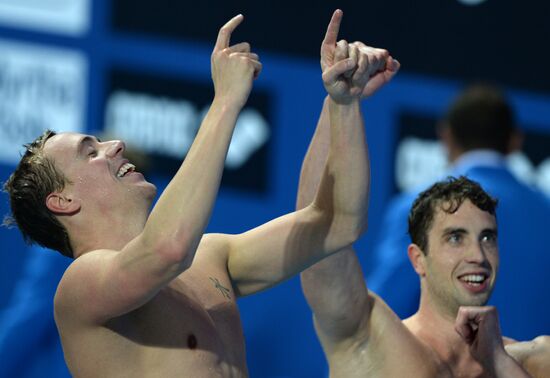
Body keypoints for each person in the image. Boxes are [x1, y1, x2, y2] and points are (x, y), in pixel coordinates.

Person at [4, 10, 377, 376]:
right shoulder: (80, 287)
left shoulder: (211, 256)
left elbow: (338, 222)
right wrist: (226, 102)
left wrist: (341, 102)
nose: (116, 145)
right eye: (91, 152)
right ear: (63, 201)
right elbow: (168, 249)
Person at [298, 76, 549, 377]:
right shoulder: (370, 345)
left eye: (488, 237)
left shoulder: (533, 360)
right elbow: (317, 242)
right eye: (456, 238)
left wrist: (500, 363)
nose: (478, 256)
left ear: (448, 137)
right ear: (417, 258)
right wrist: (339, 104)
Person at [368, 85, 550, 340]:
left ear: (446, 137)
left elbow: (379, 318)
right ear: (515, 140)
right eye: (456, 238)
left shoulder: (417, 206)